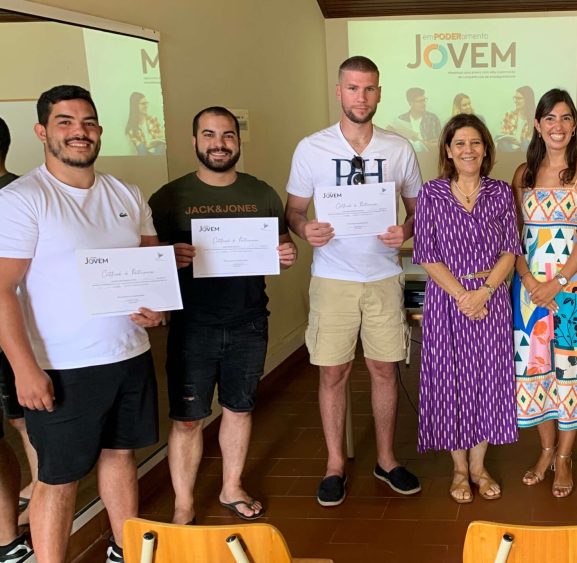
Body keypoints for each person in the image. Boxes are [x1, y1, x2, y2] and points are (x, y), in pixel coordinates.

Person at [0, 85, 161, 563]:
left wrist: (157, 308)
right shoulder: (22, 199)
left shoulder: (126, 193)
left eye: (88, 122)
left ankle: (125, 551)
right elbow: (2, 289)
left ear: (100, 130)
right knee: (57, 478)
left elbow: (151, 269)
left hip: (129, 354)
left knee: (120, 455)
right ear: (41, 132)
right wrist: (24, 369)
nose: (79, 131)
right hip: (62, 366)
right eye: (65, 122)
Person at [285, 56, 423, 507]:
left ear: (379, 92)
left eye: (368, 88)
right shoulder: (311, 148)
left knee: (384, 370)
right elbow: (294, 210)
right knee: (333, 372)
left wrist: (406, 231)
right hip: (332, 278)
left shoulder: (399, 148)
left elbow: (419, 213)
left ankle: (386, 459)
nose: (360, 97)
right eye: (352, 88)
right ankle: (334, 465)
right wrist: (304, 229)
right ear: (339, 91)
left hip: (384, 276)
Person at [148, 107, 297, 524]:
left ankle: (231, 487)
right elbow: (145, 259)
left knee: (239, 409)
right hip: (192, 326)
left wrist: (287, 254)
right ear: (194, 141)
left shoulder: (261, 193)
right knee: (188, 420)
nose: (219, 143)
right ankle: (183, 504)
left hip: (249, 320)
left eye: (228, 135)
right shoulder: (169, 198)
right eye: (209, 134)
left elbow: (281, 246)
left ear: (238, 141)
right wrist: (167, 256)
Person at [512, 89, 577, 498]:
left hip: (574, 288)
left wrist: (555, 283)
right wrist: (529, 280)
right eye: (550, 118)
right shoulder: (522, 173)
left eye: (566, 117)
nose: (558, 126)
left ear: (574, 125)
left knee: (573, 370)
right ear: (537, 125)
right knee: (536, 368)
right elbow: (512, 238)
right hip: (529, 292)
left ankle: (565, 456)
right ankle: (545, 451)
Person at [412, 114, 520, 504]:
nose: (468, 150)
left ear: (486, 149)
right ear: (448, 150)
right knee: (451, 381)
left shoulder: (501, 192)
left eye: (475, 142)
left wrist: (484, 292)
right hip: (448, 301)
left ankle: (478, 467)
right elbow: (426, 254)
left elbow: (510, 250)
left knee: (488, 380)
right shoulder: (431, 193)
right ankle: (458, 469)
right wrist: (464, 296)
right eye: (460, 143)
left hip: (491, 299)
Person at [0, 114, 33, 563]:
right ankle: (9, 536)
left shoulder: (23, 198)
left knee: (26, 423)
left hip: (16, 334)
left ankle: (39, 500)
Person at [388, 87, 441, 152]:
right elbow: (396, 143)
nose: (423, 104)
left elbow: (439, 143)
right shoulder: (401, 119)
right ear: (410, 103)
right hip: (406, 154)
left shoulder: (432, 119)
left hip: (426, 155)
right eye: (419, 101)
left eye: (424, 100)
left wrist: (427, 144)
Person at [496, 86, 534, 151]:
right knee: (503, 142)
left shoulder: (533, 119)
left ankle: (520, 156)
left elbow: (532, 140)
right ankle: (512, 156)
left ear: (527, 100)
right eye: (515, 98)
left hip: (522, 148)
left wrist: (519, 143)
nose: (516, 101)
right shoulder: (509, 115)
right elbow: (504, 134)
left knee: (525, 143)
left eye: (519, 98)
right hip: (508, 147)